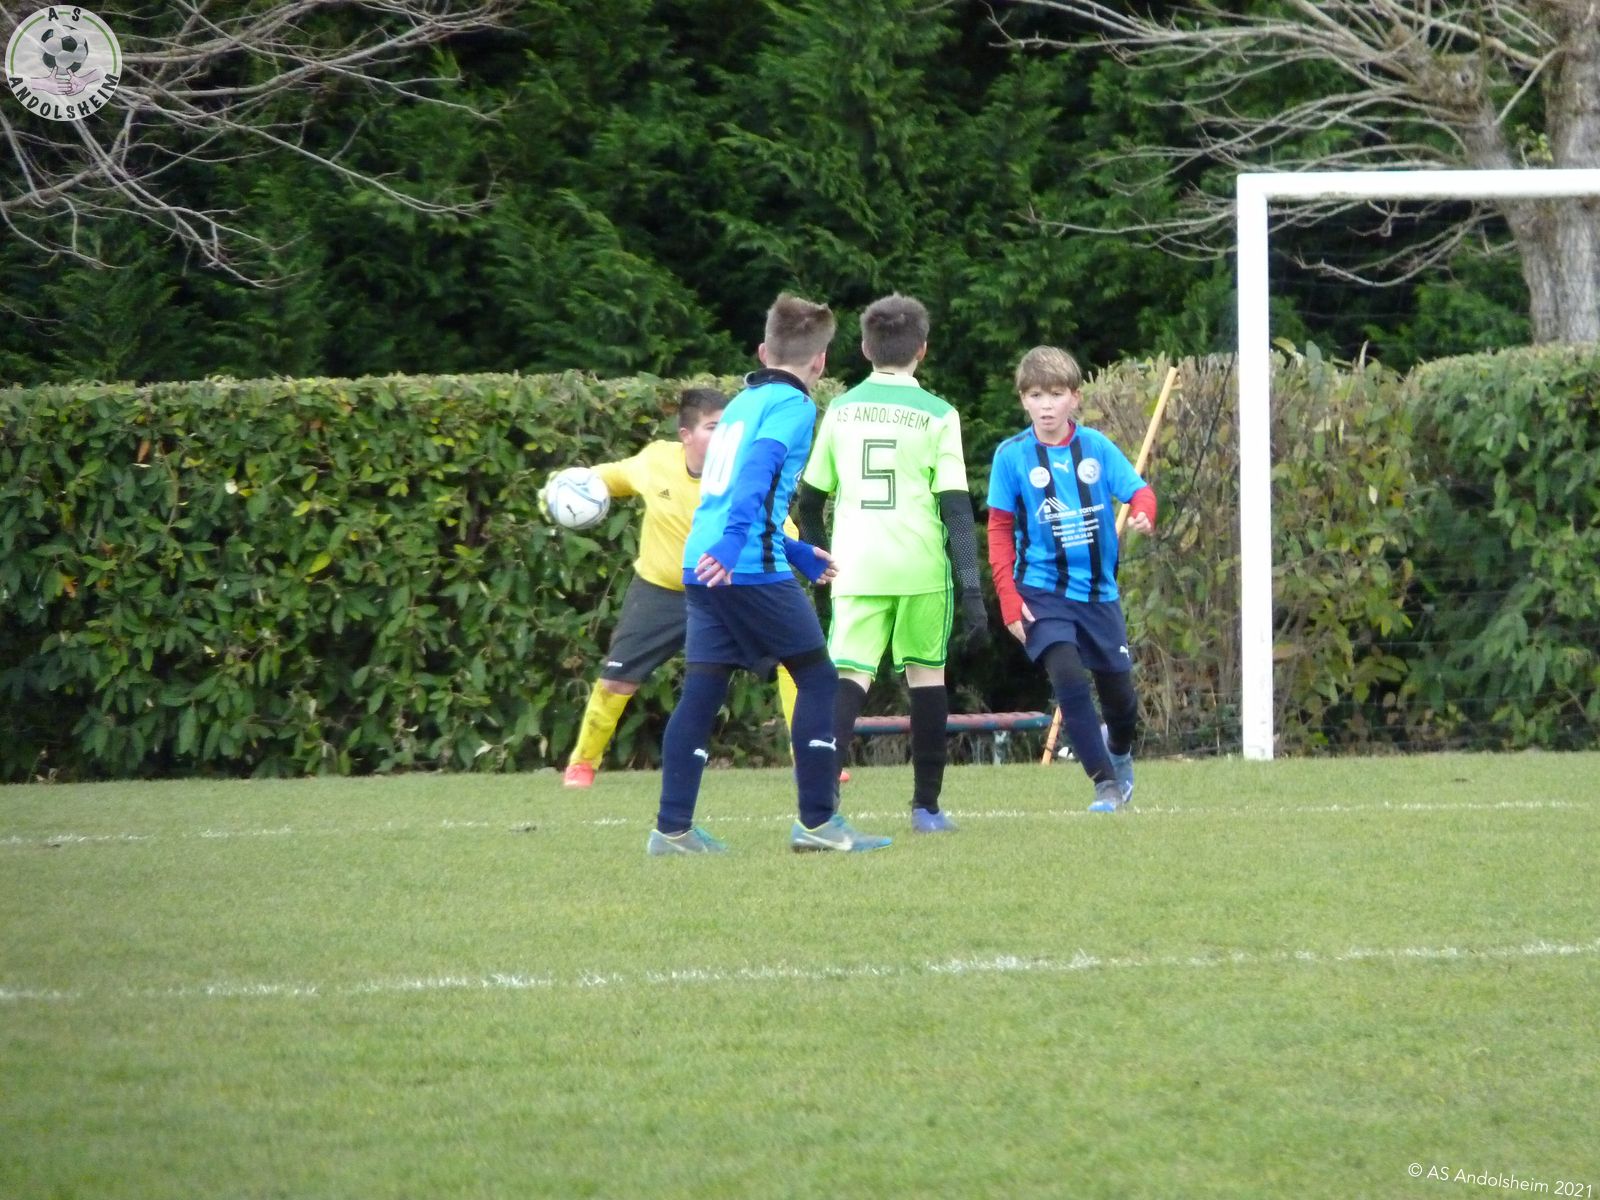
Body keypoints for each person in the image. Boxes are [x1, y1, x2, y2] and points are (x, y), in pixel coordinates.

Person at [649, 293, 892, 855]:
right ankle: (818, 823)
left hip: (702, 562)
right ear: (821, 361)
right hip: (745, 565)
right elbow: (757, 472)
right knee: (818, 677)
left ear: (763, 351)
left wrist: (796, 549)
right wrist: (742, 541)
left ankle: (672, 830)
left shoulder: (740, 404)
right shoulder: (793, 404)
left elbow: (734, 490)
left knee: (702, 690)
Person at [794, 293, 986, 833]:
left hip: (855, 565)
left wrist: (819, 565)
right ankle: (926, 808)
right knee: (927, 678)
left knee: (847, 678)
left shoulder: (842, 409)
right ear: (922, 349)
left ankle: (821, 811)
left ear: (864, 348)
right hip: (920, 566)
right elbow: (955, 507)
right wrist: (971, 590)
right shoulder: (940, 414)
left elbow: (809, 499)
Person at [553, 388, 797, 788]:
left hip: (729, 589)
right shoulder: (655, 462)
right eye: (713, 427)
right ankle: (582, 763)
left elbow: (780, 527)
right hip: (661, 591)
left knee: (794, 661)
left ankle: (810, 757)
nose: (724, 437)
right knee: (617, 681)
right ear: (686, 435)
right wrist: (565, 486)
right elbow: (607, 478)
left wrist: (797, 552)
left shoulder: (744, 472)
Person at [985, 346, 1156, 813]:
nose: (1046, 406)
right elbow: (998, 530)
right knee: (1068, 680)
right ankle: (1105, 785)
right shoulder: (1011, 456)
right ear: (1023, 400)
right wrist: (1007, 598)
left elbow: (1139, 491)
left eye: (1056, 394)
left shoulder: (1095, 447)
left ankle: (1118, 752)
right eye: (1035, 395)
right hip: (1041, 591)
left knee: (1122, 704)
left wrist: (1143, 512)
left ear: (1075, 398)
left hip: (1099, 594)